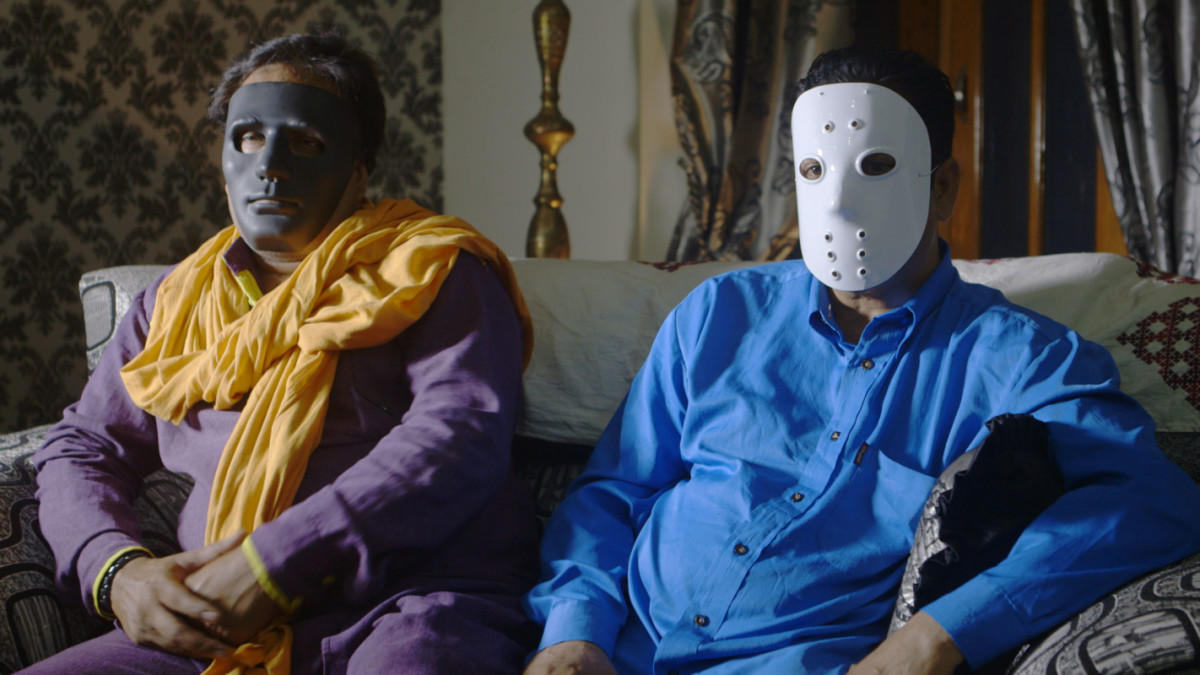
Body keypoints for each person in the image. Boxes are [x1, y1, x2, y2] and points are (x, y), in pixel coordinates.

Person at [522, 45, 1200, 675]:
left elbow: (1152, 501)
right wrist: (573, 632)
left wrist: (939, 634)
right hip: (617, 649)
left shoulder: (1024, 359)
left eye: (875, 167)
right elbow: (614, 490)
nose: (840, 202)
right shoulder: (717, 313)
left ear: (942, 188)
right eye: (814, 171)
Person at [30, 33, 540, 674]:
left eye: (306, 141)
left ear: (358, 171)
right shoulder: (174, 301)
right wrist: (117, 572)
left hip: (411, 607)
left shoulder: (434, 269)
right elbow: (83, 445)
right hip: (214, 623)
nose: (269, 164)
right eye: (248, 137)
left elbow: (460, 434)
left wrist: (274, 563)